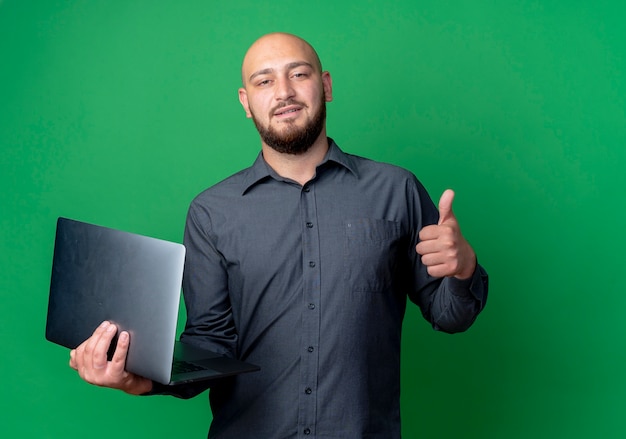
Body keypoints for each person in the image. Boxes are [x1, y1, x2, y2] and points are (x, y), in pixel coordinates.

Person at [69, 32, 488, 438]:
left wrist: (464, 268)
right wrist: (135, 379)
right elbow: (211, 345)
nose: (283, 91)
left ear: (325, 86)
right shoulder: (211, 213)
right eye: (264, 80)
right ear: (246, 102)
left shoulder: (396, 190)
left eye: (299, 74)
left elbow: (450, 316)